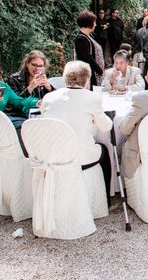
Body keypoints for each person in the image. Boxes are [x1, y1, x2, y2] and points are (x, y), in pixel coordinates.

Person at [40, 61, 113, 203]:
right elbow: (106, 127)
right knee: (104, 150)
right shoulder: (92, 98)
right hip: (80, 156)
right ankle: (105, 198)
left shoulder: (49, 97)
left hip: (53, 155)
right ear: (87, 79)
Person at [74, 10, 104, 87]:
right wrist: (100, 71)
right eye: (94, 22)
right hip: (87, 75)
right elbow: (88, 58)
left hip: (91, 73)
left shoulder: (86, 36)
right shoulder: (81, 39)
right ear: (88, 23)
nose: (95, 24)